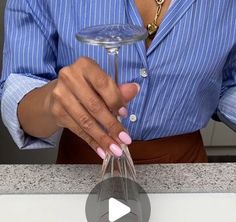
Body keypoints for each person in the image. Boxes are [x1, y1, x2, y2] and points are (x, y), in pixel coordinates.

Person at [0, 0, 236, 164]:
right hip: (83, 169)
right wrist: (52, 101)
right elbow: (20, 86)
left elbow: (228, 82)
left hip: (185, 169)